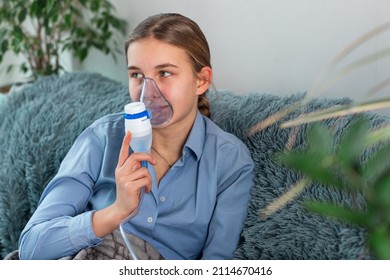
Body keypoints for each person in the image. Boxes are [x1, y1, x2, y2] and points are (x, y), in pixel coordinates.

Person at [18, 13, 254, 260]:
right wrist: (116, 212)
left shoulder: (229, 161)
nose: (148, 93)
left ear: (201, 80)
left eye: (164, 73)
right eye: (137, 75)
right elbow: (32, 248)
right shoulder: (102, 139)